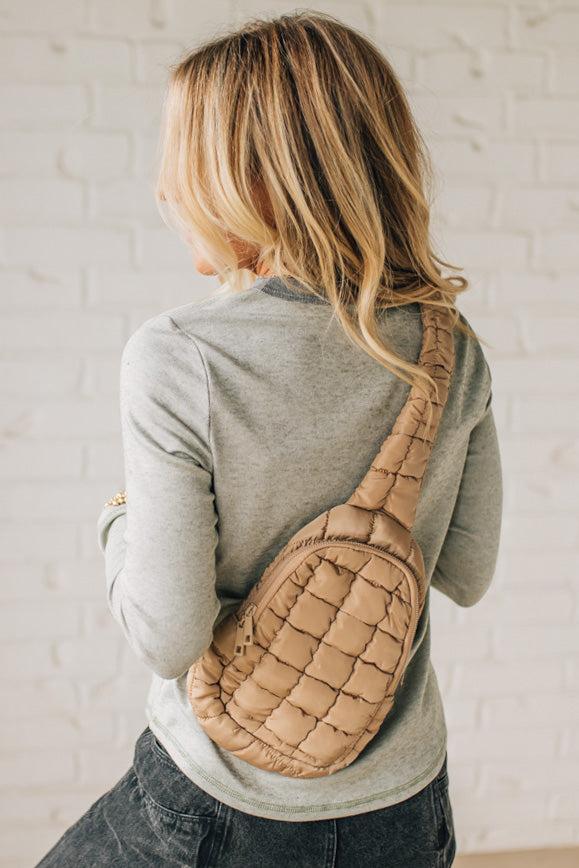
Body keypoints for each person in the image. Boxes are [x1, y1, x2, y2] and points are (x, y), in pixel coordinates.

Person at [37, 10, 502, 867]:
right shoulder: (448, 344)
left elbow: (167, 635)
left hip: (219, 807)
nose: (163, 189)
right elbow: (466, 572)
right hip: (401, 810)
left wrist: (115, 519)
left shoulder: (183, 357)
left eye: (181, 160)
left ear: (256, 180)